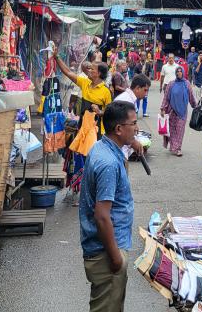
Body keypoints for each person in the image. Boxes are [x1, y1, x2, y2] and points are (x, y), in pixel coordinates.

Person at [80, 101, 137, 312]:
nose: (137, 128)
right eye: (133, 123)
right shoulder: (108, 164)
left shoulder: (102, 147)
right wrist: (115, 258)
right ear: (119, 129)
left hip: (105, 247)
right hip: (105, 252)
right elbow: (102, 216)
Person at [160, 66, 196, 156]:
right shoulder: (171, 84)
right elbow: (166, 98)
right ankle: (173, 146)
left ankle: (178, 148)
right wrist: (163, 109)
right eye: (177, 71)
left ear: (183, 73)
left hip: (182, 112)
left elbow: (191, 96)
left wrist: (195, 106)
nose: (179, 73)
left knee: (180, 130)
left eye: (180, 71)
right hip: (171, 110)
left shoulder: (187, 84)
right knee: (172, 130)